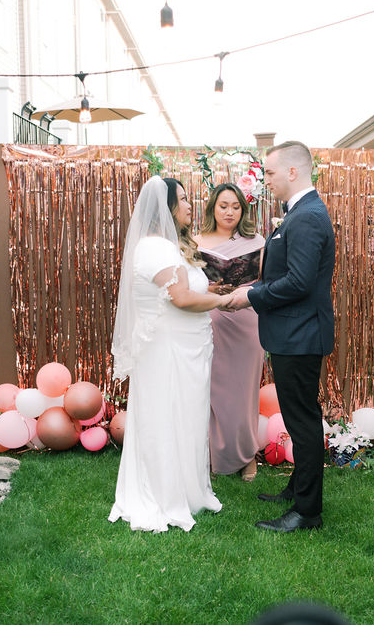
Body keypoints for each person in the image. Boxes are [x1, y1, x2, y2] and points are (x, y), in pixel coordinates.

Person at [109, 176, 231, 532]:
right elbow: (182, 298)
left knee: (184, 418)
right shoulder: (157, 249)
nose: (190, 205)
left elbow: (178, 289)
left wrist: (209, 289)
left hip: (184, 349)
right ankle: (163, 495)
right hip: (169, 353)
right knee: (168, 418)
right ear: (166, 208)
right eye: (183, 199)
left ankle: (187, 489)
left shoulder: (165, 246)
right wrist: (226, 300)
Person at [228, 141, 336, 533]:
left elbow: (300, 282)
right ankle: (297, 489)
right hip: (293, 332)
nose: (266, 180)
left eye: (270, 173)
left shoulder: (306, 217)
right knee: (298, 416)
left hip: (301, 334)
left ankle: (308, 512)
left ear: (293, 172)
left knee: (303, 421)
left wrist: (251, 296)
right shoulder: (299, 213)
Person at [195, 183, 266, 482]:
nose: (229, 212)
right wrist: (210, 287)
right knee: (214, 391)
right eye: (223, 206)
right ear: (213, 207)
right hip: (211, 318)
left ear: (243, 210)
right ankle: (216, 455)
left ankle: (247, 456)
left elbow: (267, 279)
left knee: (245, 391)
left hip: (247, 318)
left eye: (235, 207)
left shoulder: (257, 240)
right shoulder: (196, 240)